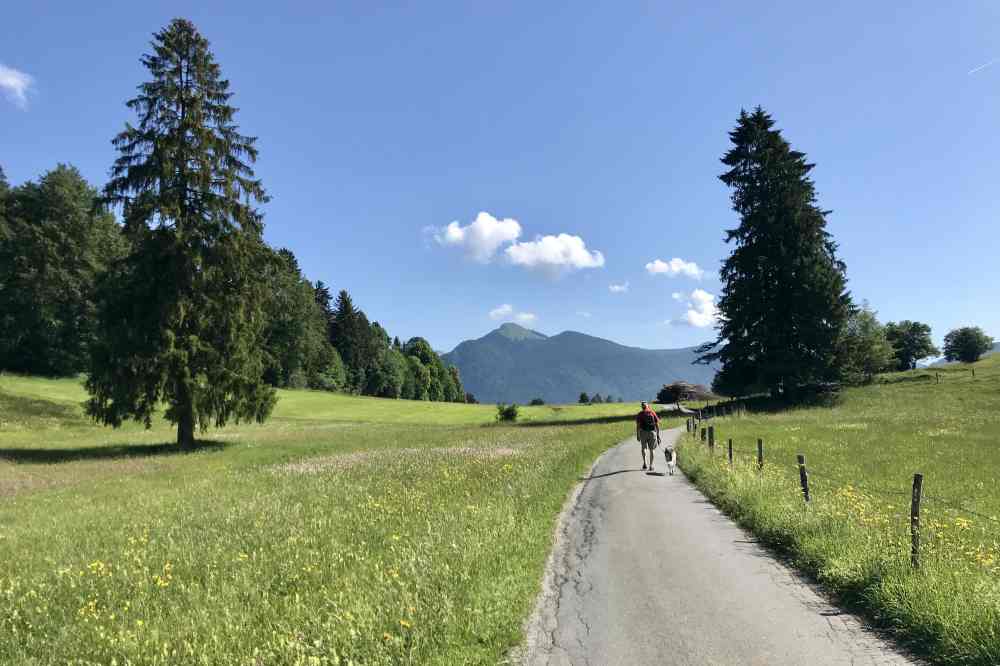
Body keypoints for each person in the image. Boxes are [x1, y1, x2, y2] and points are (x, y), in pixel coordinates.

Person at [635, 401, 661, 471]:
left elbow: (638, 426)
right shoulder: (652, 412)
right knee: (652, 449)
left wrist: (637, 434)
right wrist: (658, 435)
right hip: (652, 433)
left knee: (644, 448)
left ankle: (645, 463)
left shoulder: (640, 414)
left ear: (642, 407)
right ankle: (651, 466)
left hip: (643, 432)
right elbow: (657, 424)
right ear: (648, 406)